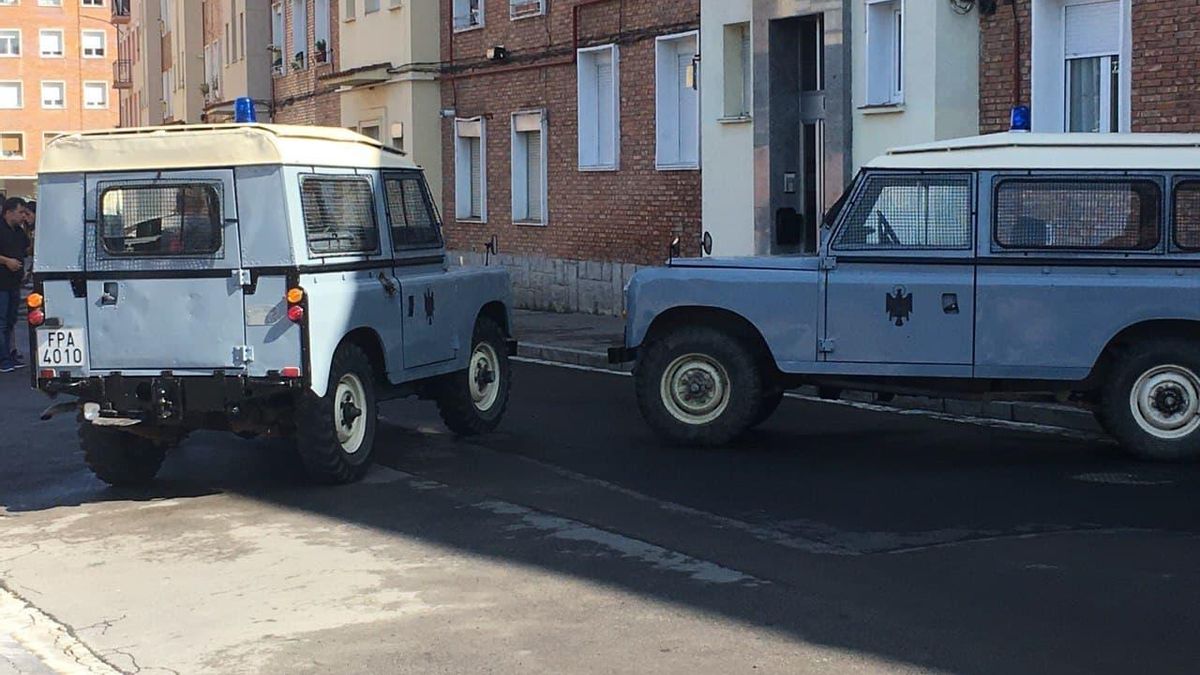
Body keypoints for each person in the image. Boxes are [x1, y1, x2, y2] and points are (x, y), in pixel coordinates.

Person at [0, 197, 31, 372]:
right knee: (2, 322)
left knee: (11, 321)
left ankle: (11, 353)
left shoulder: (18, 231)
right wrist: (6, 261)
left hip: (14, 283)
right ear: (9, 212)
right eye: (20, 212)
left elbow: (26, 248)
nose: (22, 216)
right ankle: (3, 359)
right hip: (1, 283)